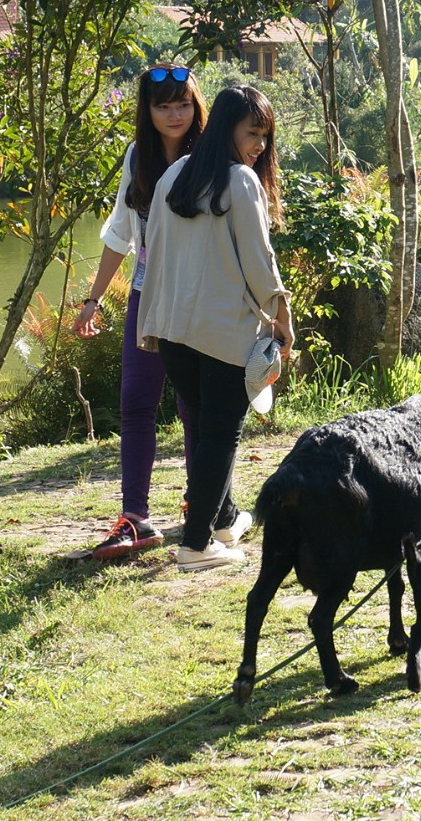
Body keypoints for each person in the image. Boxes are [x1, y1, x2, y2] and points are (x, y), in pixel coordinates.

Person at [136, 85, 293, 571]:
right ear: (229, 130)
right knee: (221, 435)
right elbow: (259, 260)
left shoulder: (173, 177)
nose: (260, 146)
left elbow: (154, 258)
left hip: (175, 332)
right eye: (254, 134)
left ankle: (222, 522)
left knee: (205, 428)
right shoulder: (241, 181)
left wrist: (151, 324)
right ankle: (197, 545)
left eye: (266, 137)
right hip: (224, 332)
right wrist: (280, 311)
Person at [74, 64, 205, 560]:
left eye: (183, 104)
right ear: (147, 112)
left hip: (197, 301)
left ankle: (202, 501)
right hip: (146, 297)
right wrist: (93, 300)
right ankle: (135, 518)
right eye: (163, 105)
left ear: (196, 107)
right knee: (135, 404)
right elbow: (119, 234)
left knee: (192, 404)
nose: (174, 114)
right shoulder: (138, 158)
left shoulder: (211, 159)